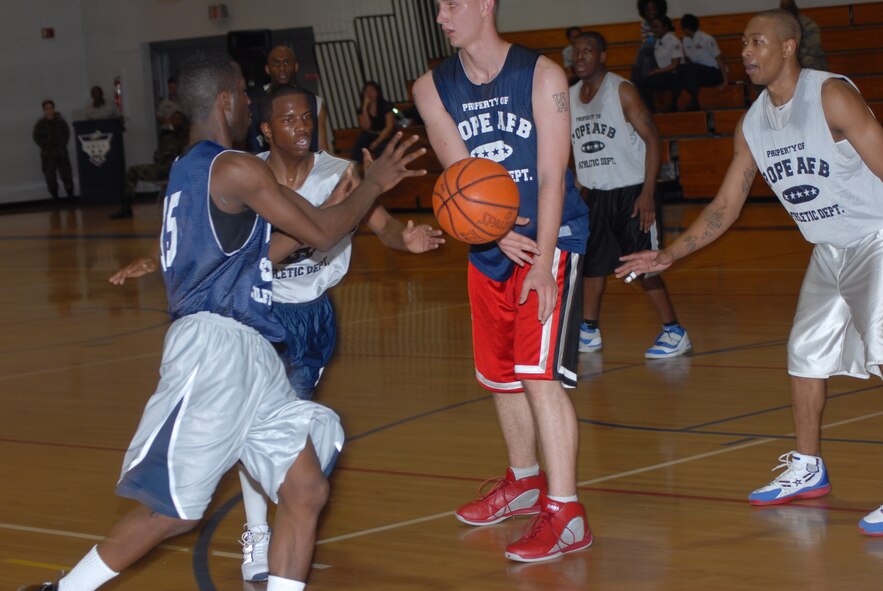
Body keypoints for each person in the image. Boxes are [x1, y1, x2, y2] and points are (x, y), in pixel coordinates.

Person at [19, 50, 425, 591]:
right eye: (244, 93)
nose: (251, 102)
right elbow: (323, 234)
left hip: (253, 349)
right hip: (215, 347)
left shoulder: (190, 172)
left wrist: (344, 203)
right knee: (175, 511)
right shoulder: (234, 168)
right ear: (227, 100)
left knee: (305, 489)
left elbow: (277, 244)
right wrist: (374, 186)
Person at [615, 10, 883, 535]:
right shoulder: (754, 122)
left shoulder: (831, 96)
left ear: (788, 47)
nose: (745, 52)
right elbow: (725, 206)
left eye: (756, 42)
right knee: (805, 353)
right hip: (828, 250)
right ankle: (807, 468)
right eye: (742, 44)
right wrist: (671, 254)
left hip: (877, 240)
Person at [237, 84, 444, 581]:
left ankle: (277, 525)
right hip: (260, 313)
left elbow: (383, 224)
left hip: (311, 317)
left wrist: (405, 239)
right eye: (288, 120)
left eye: (307, 117)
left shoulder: (341, 173)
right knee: (260, 425)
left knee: (280, 431)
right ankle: (258, 532)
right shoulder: (246, 176)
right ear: (266, 129)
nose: (301, 127)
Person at [413, 0, 592, 563]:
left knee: (540, 376)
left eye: (452, 4)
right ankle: (525, 483)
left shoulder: (542, 75)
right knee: (501, 376)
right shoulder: (430, 88)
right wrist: (490, 238)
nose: (442, 16)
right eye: (438, 7)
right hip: (490, 248)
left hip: (551, 239)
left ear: (486, 5)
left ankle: (566, 513)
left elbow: (551, 174)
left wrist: (540, 260)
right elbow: (462, 179)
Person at [570, 32, 690, 359]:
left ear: (603, 56)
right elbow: (576, 152)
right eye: (575, 52)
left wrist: (648, 193)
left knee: (642, 265)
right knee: (592, 266)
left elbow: (653, 139)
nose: (579, 57)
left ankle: (674, 331)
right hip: (594, 195)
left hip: (632, 193)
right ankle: (589, 331)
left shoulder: (621, 91)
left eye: (587, 51)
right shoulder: (568, 97)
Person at [247, 45, 331, 154]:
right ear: (267, 69)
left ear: (296, 67)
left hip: (304, 167)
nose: (282, 68)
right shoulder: (250, 100)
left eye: (287, 62)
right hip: (258, 167)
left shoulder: (314, 101)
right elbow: (239, 145)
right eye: (276, 63)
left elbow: (322, 150)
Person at [110, 111, 189, 219]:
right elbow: (157, 156)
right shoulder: (167, 138)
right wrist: (163, 157)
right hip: (162, 169)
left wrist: (171, 156)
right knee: (133, 170)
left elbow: (185, 157)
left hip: (177, 170)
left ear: (184, 122)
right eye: (174, 119)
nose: (176, 121)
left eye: (179, 119)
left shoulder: (188, 138)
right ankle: (126, 208)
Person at [678, 13, 727, 111]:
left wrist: (725, 81)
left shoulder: (706, 39)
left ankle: (694, 101)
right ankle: (684, 100)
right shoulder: (686, 40)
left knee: (692, 70)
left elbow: (719, 59)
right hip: (697, 72)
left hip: (713, 72)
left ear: (687, 28)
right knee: (681, 69)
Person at [636, 15, 683, 112]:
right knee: (640, 81)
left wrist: (656, 72)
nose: (654, 30)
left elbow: (675, 65)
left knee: (644, 83)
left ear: (665, 28)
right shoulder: (657, 41)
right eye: (653, 27)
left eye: (656, 27)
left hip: (675, 75)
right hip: (663, 73)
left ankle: (651, 110)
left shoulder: (673, 41)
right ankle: (650, 109)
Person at [32, 99, 75, 201]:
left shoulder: (60, 122)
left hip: (61, 153)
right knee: (50, 177)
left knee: (66, 175)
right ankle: (55, 197)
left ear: (53, 108)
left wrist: (60, 146)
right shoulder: (40, 124)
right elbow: (36, 138)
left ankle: (70, 196)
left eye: (51, 108)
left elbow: (66, 135)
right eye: (47, 109)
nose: (49, 111)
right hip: (47, 154)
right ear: (43, 110)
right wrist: (46, 146)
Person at [351, 81, 396, 164]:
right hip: (370, 134)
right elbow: (366, 127)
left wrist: (377, 141)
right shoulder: (361, 109)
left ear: (377, 92)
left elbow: (389, 127)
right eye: (367, 91)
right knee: (359, 146)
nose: (369, 93)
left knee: (382, 148)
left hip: (385, 134)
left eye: (372, 91)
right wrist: (364, 108)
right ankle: (356, 168)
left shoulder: (386, 105)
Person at [780, 0, 828, 71]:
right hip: (789, 57)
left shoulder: (808, 24)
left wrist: (794, 55)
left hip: (806, 58)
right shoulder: (780, 25)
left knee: (809, 60)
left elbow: (812, 48)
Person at [631, 0, 668, 84]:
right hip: (651, 55)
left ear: (659, 9)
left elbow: (666, 42)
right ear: (643, 10)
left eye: (654, 9)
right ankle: (646, 93)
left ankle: (635, 72)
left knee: (643, 48)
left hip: (664, 55)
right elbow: (646, 41)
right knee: (646, 60)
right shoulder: (644, 23)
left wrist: (653, 39)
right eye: (647, 10)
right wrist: (655, 38)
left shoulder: (665, 22)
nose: (651, 12)